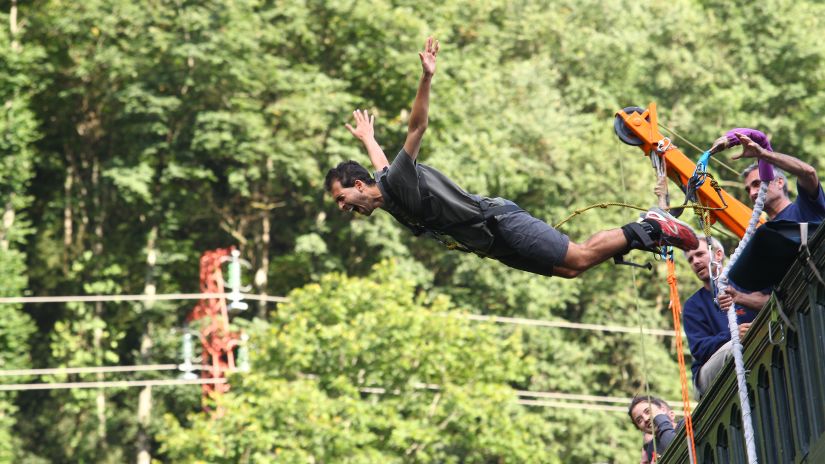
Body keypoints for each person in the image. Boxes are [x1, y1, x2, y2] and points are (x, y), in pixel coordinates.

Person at [324, 37, 699, 278]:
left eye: (342, 199)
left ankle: (650, 227)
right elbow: (380, 166)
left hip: (500, 223)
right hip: (492, 246)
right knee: (571, 271)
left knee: (581, 257)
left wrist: (426, 78)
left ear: (358, 186)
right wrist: (369, 138)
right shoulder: (386, 193)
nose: (344, 207)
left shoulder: (397, 181)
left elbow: (416, 129)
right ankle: (644, 233)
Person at [682, 236, 770, 396]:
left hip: (753, 348)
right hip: (707, 372)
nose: (695, 262)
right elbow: (700, 349)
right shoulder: (693, 306)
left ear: (718, 254)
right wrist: (734, 334)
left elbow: (773, 301)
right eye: (690, 260)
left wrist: (741, 299)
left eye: (700, 254)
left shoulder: (746, 283)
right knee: (735, 348)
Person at [710, 129, 825, 223]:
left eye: (757, 184)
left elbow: (808, 173)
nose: (752, 193)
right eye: (748, 190)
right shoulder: (762, 233)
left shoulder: (806, 207)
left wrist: (763, 154)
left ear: (780, 182)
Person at [628, 395, 682, 462]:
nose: (645, 419)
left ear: (663, 410)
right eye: (639, 420)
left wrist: (660, 419)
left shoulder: (686, 423)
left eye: (648, 411)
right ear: (640, 429)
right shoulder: (652, 448)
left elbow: (678, 448)